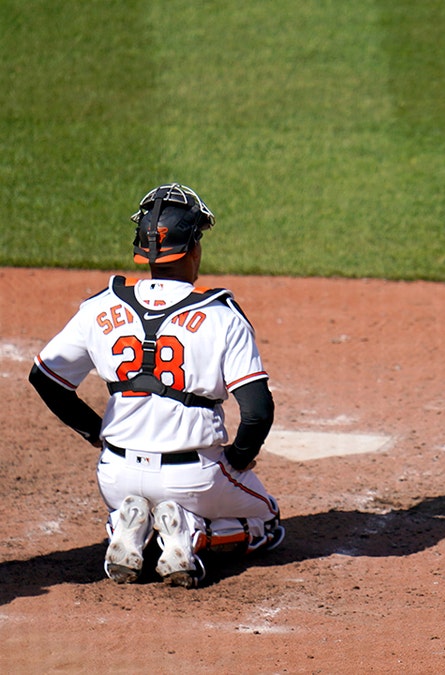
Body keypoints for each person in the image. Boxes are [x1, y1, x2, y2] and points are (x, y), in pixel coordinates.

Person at [29, 183, 283, 589]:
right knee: (267, 522)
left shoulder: (99, 306)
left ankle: (127, 526)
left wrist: (94, 432)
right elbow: (257, 412)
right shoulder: (222, 316)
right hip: (194, 477)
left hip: (116, 474)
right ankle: (191, 533)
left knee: (139, 493)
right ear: (194, 249)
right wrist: (238, 458)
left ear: (142, 251)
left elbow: (45, 377)